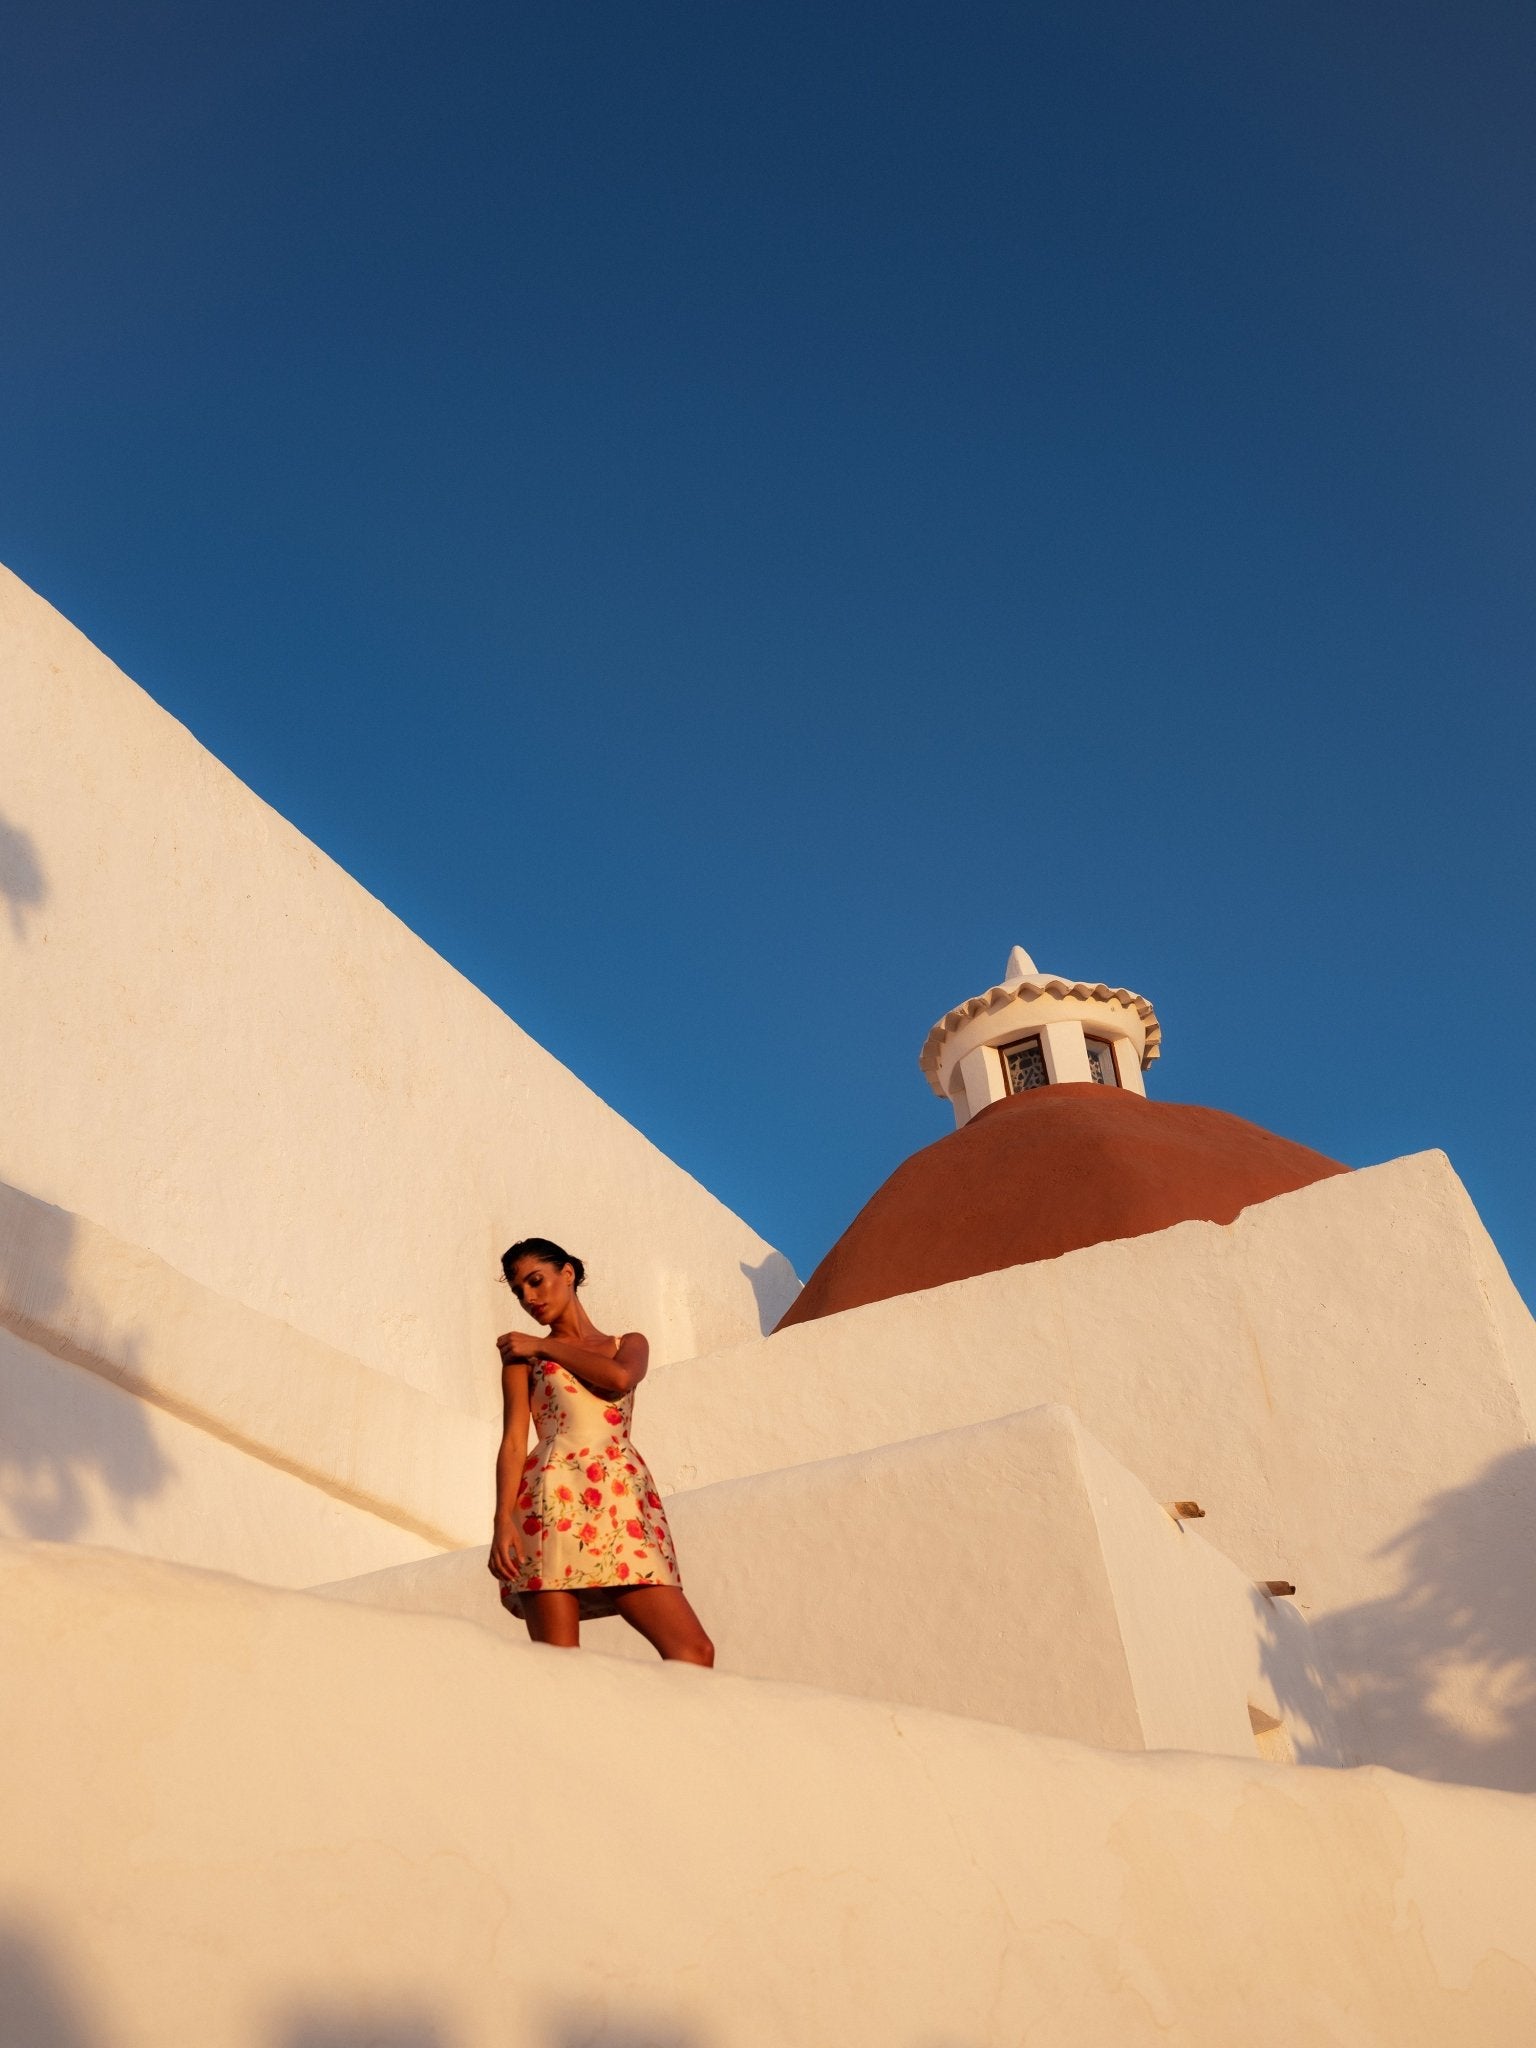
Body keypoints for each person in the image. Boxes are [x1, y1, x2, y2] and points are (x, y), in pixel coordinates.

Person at [489, 1236, 715, 1664]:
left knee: (693, 1651)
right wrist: (502, 1520)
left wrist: (542, 1344)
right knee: (560, 1664)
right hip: (547, 1499)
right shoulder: (520, 1361)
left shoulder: (626, 1343)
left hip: (621, 1497)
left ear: (567, 1273)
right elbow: (514, 1442)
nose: (529, 1298)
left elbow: (620, 1378)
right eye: (519, 1292)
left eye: (535, 1281)